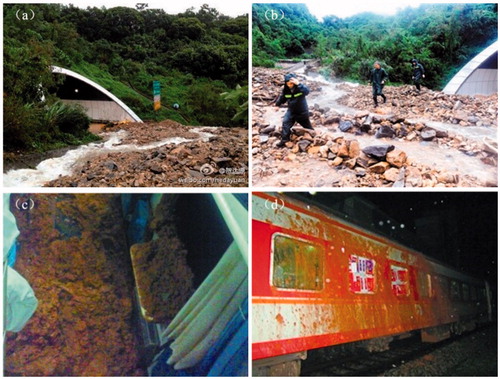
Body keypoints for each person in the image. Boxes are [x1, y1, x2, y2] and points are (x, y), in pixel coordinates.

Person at [275, 73, 314, 148]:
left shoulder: (300, 88)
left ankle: (315, 138)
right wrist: (277, 105)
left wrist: (298, 83)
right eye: (288, 83)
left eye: (291, 83)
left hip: (302, 112)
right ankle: (284, 140)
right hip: (291, 111)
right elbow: (282, 97)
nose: (290, 85)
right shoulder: (286, 90)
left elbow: (307, 92)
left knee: (309, 128)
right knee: (285, 123)